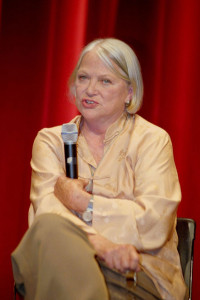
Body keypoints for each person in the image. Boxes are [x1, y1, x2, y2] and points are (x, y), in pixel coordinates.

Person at [12, 38, 187, 300]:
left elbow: (154, 221)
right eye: (83, 78)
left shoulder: (152, 140)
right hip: (64, 267)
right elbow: (46, 216)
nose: (90, 89)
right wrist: (101, 245)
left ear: (129, 92)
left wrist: (85, 203)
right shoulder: (51, 141)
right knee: (48, 231)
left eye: (105, 81)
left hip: (135, 275)